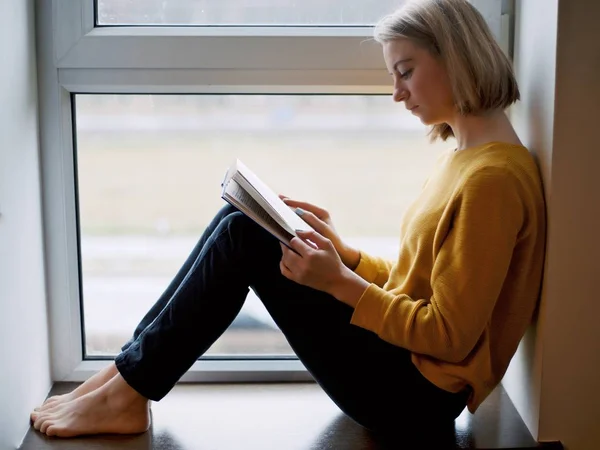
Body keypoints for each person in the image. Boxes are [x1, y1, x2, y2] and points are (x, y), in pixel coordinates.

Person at [31, 0, 546, 439]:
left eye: (405, 71)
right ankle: (125, 376)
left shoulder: (493, 182)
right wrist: (342, 255)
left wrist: (340, 283)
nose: (396, 92)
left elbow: (450, 335)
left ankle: (126, 391)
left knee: (242, 238)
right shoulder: (467, 160)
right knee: (241, 216)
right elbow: (423, 288)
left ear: (455, 59)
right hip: (400, 368)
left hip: (411, 397)